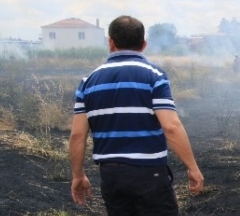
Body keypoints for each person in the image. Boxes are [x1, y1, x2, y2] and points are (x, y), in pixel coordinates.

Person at [69, 15, 204, 215]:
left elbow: (77, 135)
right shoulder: (154, 76)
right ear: (143, 44)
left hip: (111, 175)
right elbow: (171, 127)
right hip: (149, 173)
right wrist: (192, 167)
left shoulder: (88, 81)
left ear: (111, 42)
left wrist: (78, 175)